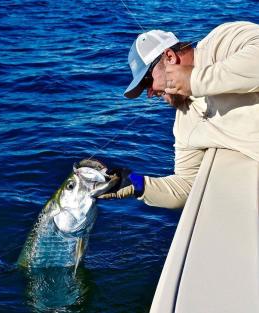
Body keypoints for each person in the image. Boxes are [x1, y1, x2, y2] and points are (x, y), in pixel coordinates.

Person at [99, 21, 259, 209]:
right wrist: (134, 183)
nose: (150, 93)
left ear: (170, 56)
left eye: (148, 81)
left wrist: (194, 80)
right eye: (145, 89)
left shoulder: (220, 43)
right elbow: (186, 187)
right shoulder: (184, 122)